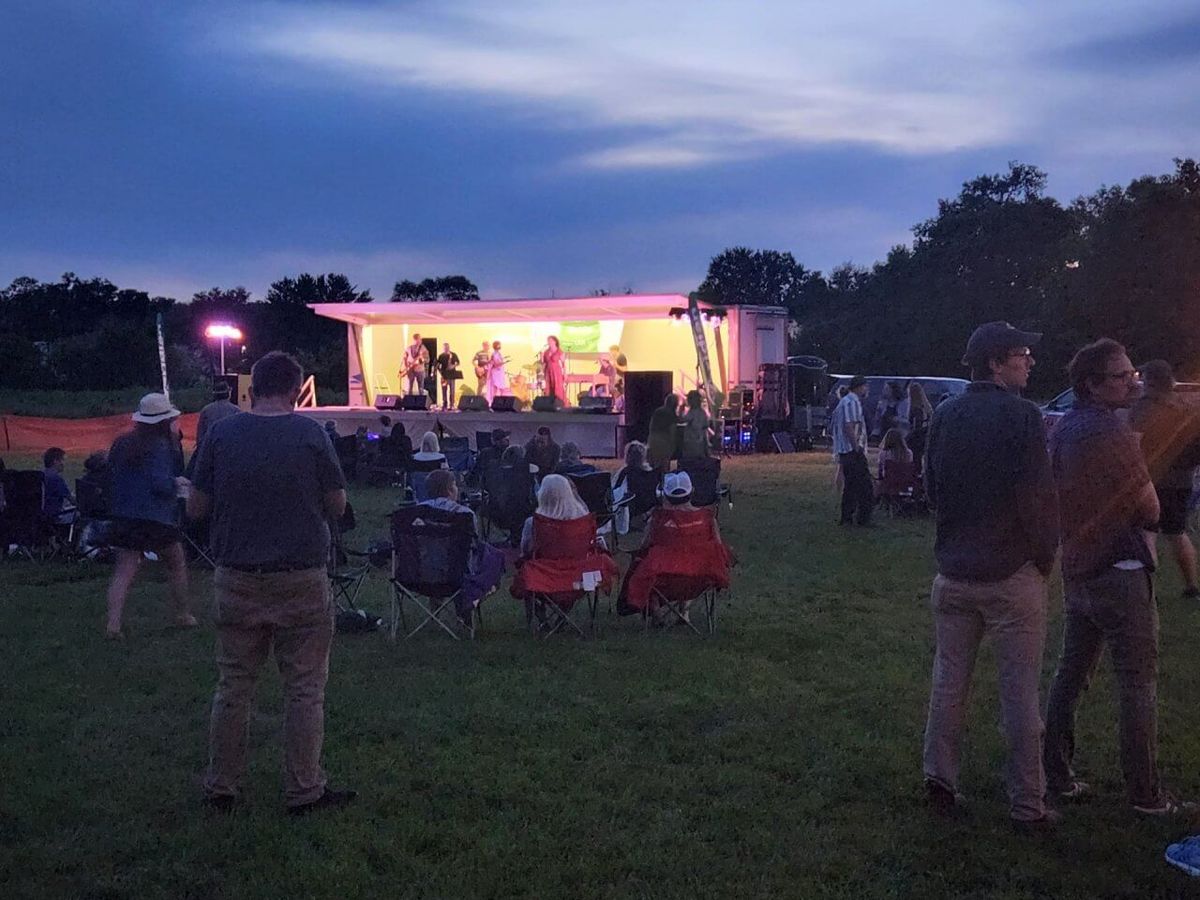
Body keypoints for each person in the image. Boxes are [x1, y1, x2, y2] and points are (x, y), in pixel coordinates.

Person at [189, 351, 355, 816]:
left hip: (236, 575)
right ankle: (304, 790)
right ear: (296, 389)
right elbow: (338, 505)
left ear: (252, 388)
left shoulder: (221, 434)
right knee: (304, 688)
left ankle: (222, 786)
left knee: (233, 686)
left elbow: (196, 508)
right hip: (300, 577)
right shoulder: (311, 435)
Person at [921, 321, 1059, 832]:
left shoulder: (944, 415)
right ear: (996, 363)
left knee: (948, 683)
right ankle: (1028, 804)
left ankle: (939, 779)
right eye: (1022, 354)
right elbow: (1038, 499)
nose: (1030, 362)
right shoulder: (1024, 417)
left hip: (954, 573)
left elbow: (931, 489)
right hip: (1010, 575)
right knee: (1020, 694)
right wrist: (1043, 558)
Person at [1044, 339, 1191, 817]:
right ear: (1092, 384)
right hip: (1121, 572)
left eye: (1133, 374)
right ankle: (1146, 796)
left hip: (1079, 568)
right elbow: (1150, 507)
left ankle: (1056, 775)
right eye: (1122, 376)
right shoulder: (1113, 431)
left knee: (1070, 675)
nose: (1133, 382)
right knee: (1136, 683)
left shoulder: (1065, 428)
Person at [103, 394, 196, 639]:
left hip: (125, 514)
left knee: (124, 571)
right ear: (165, 421)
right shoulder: (161, 446)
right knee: (176, 563)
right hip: (156, 517)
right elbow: (160, 485)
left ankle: (113, 624)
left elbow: (111, 474)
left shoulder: (121, 443)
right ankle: (183, 614)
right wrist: (177, 484)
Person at [1129, 359, 1200, 598]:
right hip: (1183, 479)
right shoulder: (1183, 405)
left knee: (1147, 532)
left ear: (1149, 381)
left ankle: (1147, 591)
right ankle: (1191, 586)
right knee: (1177, 531)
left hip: (1151, 479)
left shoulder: (1143, 408)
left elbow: (1134, 445)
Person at [420, 469, 504, 625]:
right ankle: (468, 605)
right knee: (494, 559)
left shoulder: (416, 512)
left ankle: (435, 612)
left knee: (436, 555)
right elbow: (473, 543)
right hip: (457, 575)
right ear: (449, 489)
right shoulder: (465, 514)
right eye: (455, 485)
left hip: (420, 574)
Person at [830, 376, 872, 527]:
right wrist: (856, 446)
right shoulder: (852, 402)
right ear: (859, 387)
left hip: (846, 450)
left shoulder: (845, 401)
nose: (867, 389)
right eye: (865, 386)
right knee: (864, 486)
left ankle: (847, 517)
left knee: (851, 485)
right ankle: (861, 518)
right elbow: (850, 425)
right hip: (851, 450)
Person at [518, 473, 590, 556]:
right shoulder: (584, 519)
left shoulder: (533, 523)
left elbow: (526, 550)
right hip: (579, 562)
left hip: (545, 563)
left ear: (543, 494)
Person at [612, 440, 652, 535]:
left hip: (632, 504)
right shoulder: (649, 472)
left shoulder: (624, 472)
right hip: (647, 503)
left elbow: (616, 489)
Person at [196, 383, 239, 450]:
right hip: (229, 448)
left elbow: (200, 436)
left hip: (210, 448)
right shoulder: (236, 410)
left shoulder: (206, 410)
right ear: (228, 394)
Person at [42, 447, 77, 525]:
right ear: (55, 461)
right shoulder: (56, 479)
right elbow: (73, 501)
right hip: (54, 518)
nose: (64, 463)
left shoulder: (41, 475)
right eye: (62, 460)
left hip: (42, 516)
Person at [647, 394, 681, 473]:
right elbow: (672, 430)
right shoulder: (672, 414)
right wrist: (673, 445)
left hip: (653, 438)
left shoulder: (658, 411)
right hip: (664, 441)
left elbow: (651, 426)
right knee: (664, 467)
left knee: (653, 465)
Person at [907, 381, 934, 473]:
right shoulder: (927, 407)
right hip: (926, 435)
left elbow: (916, 426)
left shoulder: (915, 409)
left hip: (917, 437)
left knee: (916, 458)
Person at [680, 390, 712, 460]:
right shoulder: (702, 412)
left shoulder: (692, 412)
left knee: (691, 460)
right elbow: (706, 425)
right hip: (700, 440)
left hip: (691, 440)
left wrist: (681, 409)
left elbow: (682, 419)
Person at [541, 336, 567, 406]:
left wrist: (565, 373)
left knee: (557, 388)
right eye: (548, 341)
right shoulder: (546, 352)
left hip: (557, 372)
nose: (549, 342)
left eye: (550, 340)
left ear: (555, 342)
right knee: (549, 388)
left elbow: (564, 364)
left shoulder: (559, 351)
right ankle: (550, 404)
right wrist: (541, 356)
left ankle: (559, 403)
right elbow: (543, 363)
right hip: (548, 371)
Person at [436, 342, 461, 410]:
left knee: (452, 390)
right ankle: (445, 404)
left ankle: (452, 404)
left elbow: (458, 362)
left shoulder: (453, 354)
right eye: (445, 348)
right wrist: (440, 371)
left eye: (447, 348)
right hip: (444, 375)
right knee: (444, 390)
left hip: (452, 374)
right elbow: (438, 365)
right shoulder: (441, 356)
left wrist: (453, 366)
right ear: (443, 348)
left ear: (449, 347)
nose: (446, 349)